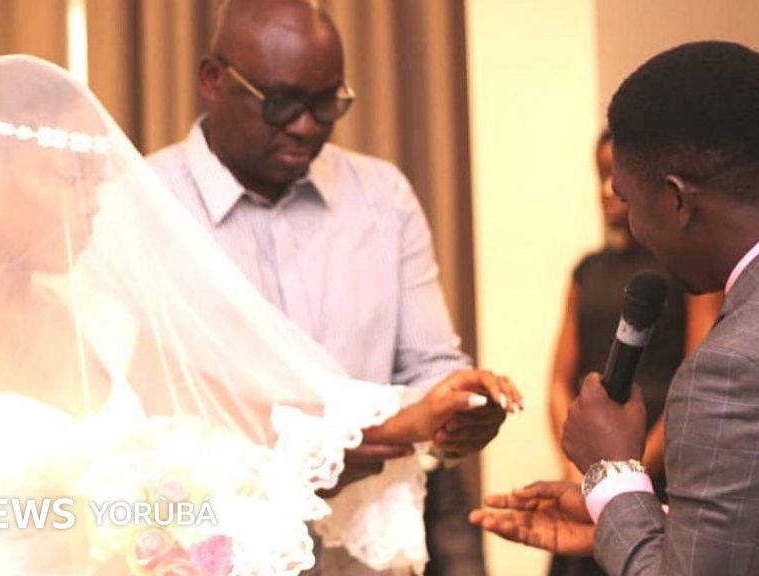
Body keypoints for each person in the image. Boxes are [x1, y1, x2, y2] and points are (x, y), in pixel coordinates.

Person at [0, 55, 519, 575]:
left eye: (97, 184)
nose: (91, 208)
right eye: (68, 180)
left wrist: (410, 417)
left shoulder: (93, 320)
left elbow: (245, 423)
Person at [147, 1, 511, 573]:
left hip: (361, 559)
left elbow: (429, 365)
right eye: (281, 103)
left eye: (326, 103)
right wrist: (307, 460)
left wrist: (457, 410)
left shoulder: (382, 197)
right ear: (212, 80)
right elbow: (129, 414)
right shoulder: (143, 204)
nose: (307, 126)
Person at [471, 41, 759, 574]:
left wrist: (612, 474)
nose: (628, 221)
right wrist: (628, 519)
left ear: (676, 200)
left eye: (627, 197)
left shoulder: (735, 368)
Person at [546, 131, 722, 576]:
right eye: (599, 176)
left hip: (661, 470)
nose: (607, 191)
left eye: (616, 177)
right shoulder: (587, 271)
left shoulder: (687, 272)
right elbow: (559, 382)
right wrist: (580, 468)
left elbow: (697, 376)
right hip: (592, 475)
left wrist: (627, 469)